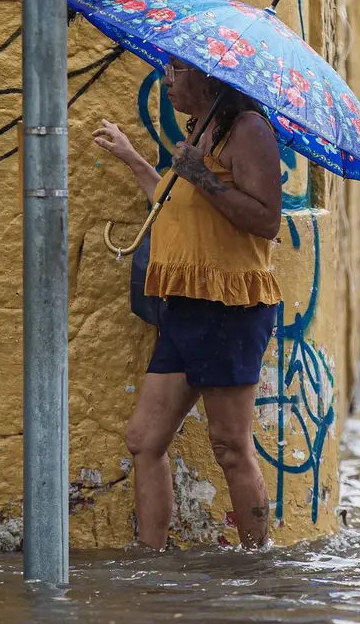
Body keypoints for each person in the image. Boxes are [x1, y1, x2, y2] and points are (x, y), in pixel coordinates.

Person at [92, 57, 283, 550]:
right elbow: (174, 206)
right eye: (167, 70)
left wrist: (204, 176)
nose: (168, 80)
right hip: (183, 306)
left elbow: (266, 220)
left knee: (229, 445)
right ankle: (152, 560)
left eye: (178, 71)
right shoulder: (200, 132)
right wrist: (135, 158)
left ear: (211, 77)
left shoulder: (248, 131)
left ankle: (256, 561)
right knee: (144, 439)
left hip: (228, 307)